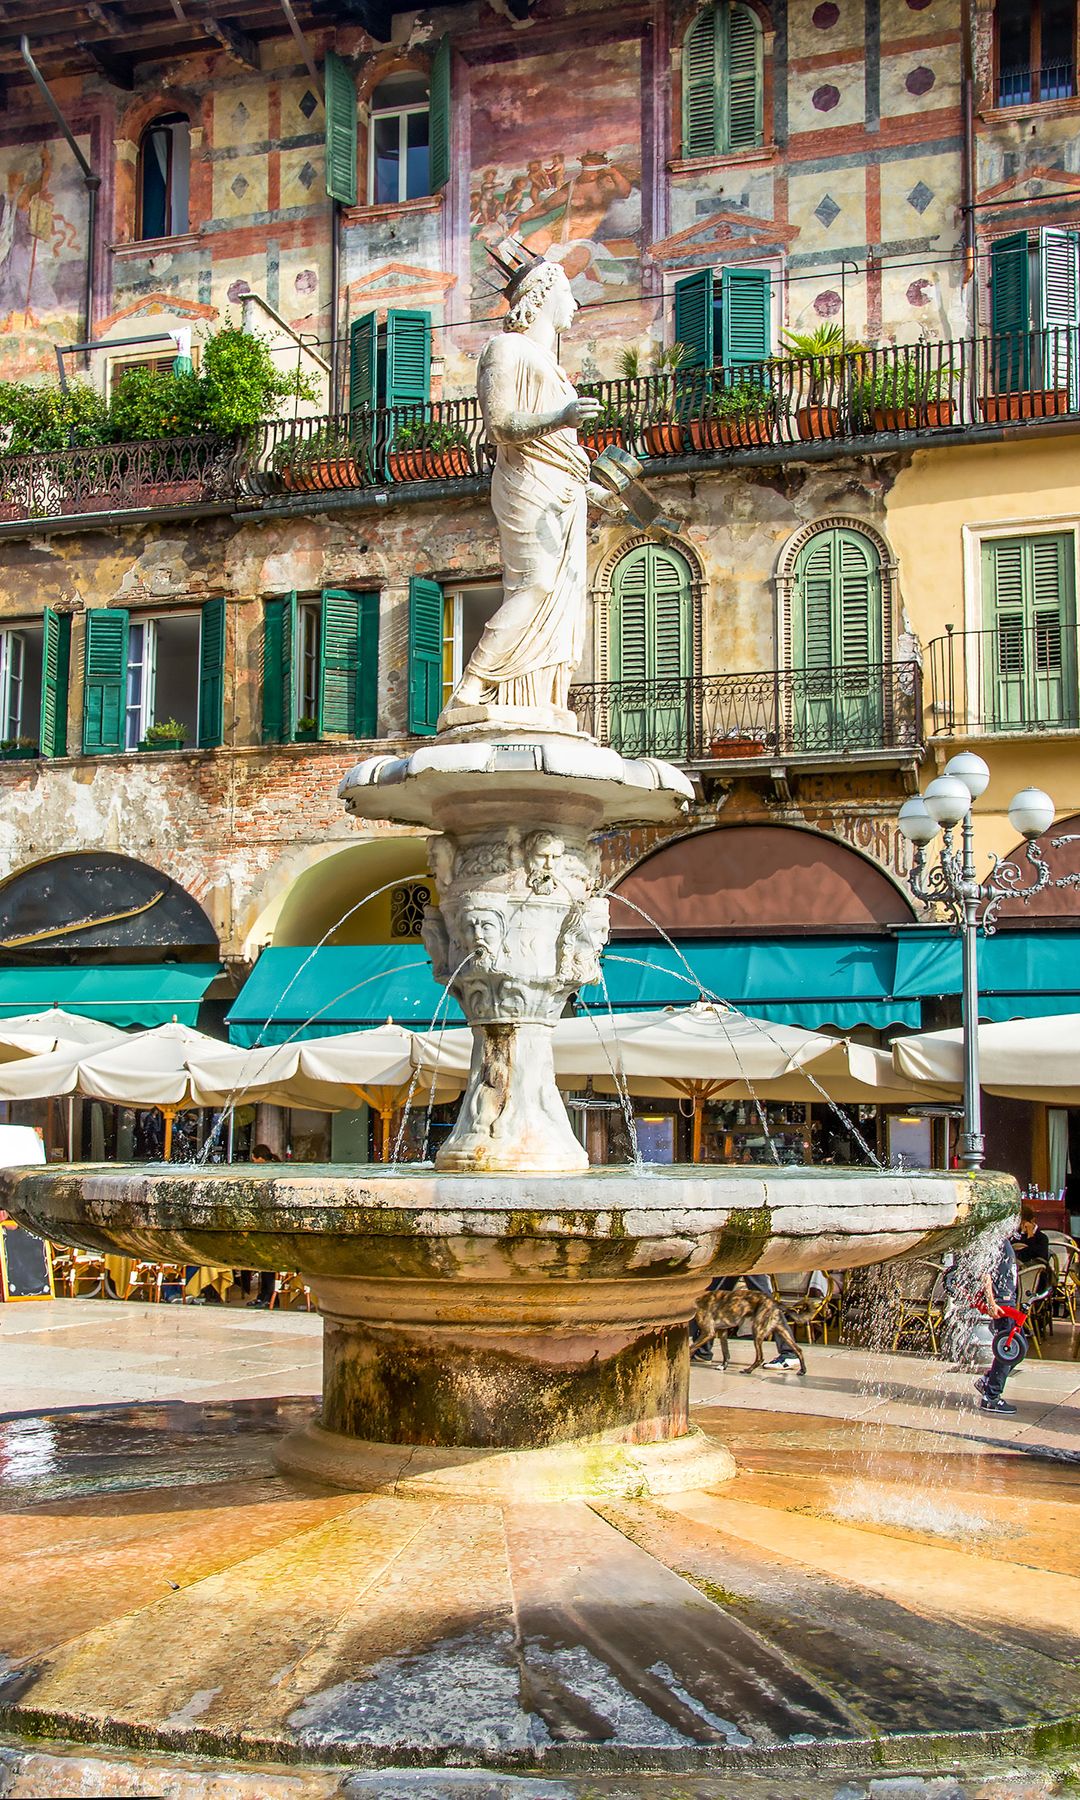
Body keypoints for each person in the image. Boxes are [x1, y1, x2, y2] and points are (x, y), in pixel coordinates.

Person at [690, 1275, 802, 1372]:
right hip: (742, 1255)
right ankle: (702, 1351)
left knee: (767, 1303)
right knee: (713, 1294)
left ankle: (789, 1353)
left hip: (745, 1255)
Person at [975, 1235, 1021, 1415]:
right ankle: (991, 1397)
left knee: (1018, 1350)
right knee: (1009, 1351)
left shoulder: (1003, 1240)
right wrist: (991, 1302)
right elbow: (985, 1273)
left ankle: (988, 1381)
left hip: (1008, 1301)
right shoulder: (993, 1239)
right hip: (1002, 1303)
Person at [242, 1142, 279, 1308]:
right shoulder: (277, 1169)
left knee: (267, 1264)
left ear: (258, 1158)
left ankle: (266, 1297)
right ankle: (268, 1297)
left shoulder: (265, 1173)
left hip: (266, 1224)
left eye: (253, 1158)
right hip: (272, 1224)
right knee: (267, 1264)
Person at [1015, 1204, 1051, 1269]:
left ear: (1032, 1221)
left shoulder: (1042, 1238)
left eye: (1022, 1223)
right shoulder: (1015, 1235)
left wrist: (1030, 1235)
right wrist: (1023, 1234)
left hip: (1036, 1273)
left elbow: (1036, 1257)